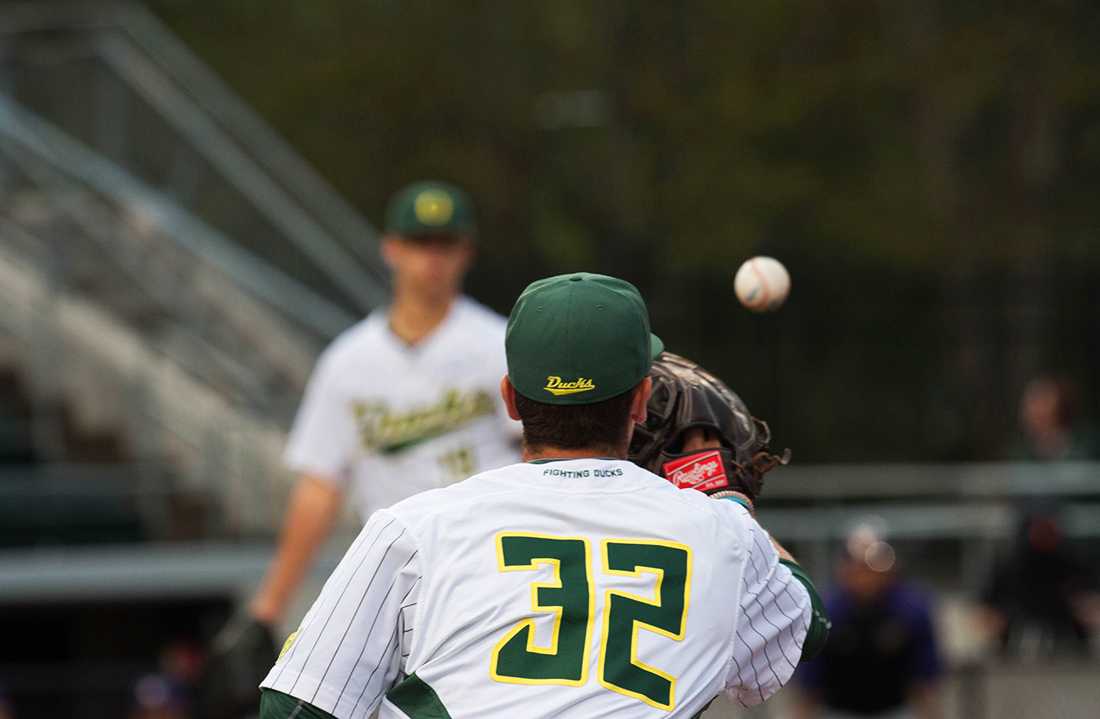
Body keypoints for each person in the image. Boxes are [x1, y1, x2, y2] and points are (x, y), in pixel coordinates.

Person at [257, 272, 828, 718]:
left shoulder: (413, 529)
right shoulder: (719, 534)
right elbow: (804, 625)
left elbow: (299, 705)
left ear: (509, 398)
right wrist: (726, 500)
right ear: (639, 400)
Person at [202, 181, 521, 718]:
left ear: (465, 252)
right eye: (420, 243)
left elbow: (544, 453)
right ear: (391, 248)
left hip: (484, 563)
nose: (432, 259)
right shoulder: (348, 360)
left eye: (444, 244)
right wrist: (269, 605)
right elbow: (320, 487)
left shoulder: (497, 345)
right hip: (393, 572)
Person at [794, 524, 942, 719]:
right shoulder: (825, 611)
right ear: (844, 568)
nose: (866, 575)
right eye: (858, 566)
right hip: (836, 710)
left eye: (873, 565)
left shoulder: (911, 609)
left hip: (896, 709)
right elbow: (809, 686)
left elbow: (924, 681)